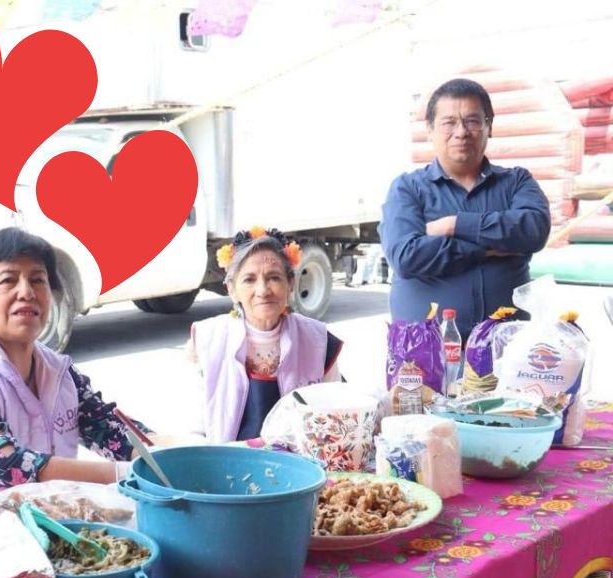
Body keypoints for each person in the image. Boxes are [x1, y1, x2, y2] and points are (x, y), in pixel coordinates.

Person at [0, 227, 146, 499]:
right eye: (8, 280)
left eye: (38, 280)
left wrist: (172, 454)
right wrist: (127, 475)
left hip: (45, 522)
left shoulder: (59, 372)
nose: (26, 292)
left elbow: (114, 431)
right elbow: (9, 465)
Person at [380, 78, 551, 340]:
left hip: (505, 348)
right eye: (449, 122)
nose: (461, 132)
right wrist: (488, 247)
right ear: (430, 130)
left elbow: (534, 229)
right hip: (424, 352)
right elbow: (406, 256)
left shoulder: (516, 182)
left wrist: (455, 225)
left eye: (472, 121)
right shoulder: (408, 188)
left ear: (488, 126)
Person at [188, 228, 343, 443]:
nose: (262, 290)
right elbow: (194, 432)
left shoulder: (317, 341)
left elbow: (336, 417)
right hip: (226, 466)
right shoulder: (209, 341)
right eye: (249, 280)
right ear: (232, 289)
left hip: (301, 470)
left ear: (290, 284)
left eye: (274, 278)